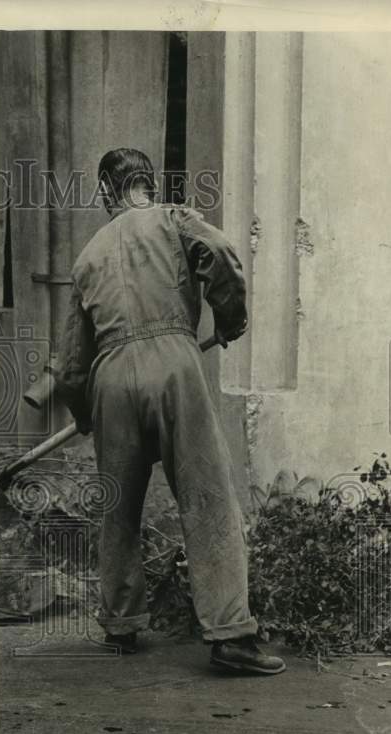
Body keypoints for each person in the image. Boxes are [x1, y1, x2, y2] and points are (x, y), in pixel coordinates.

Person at [54, 147, 285, 675]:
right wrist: (230, 317)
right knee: (206, 496)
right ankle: (230, 634)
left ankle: (120, 624)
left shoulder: (88, 255)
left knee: (119, 506)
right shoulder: (174, 218)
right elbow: (222, 255)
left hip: (109, 379)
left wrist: (84, 411)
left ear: (105, 192)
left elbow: (71, 363)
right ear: (149, 184)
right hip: (174, 363)